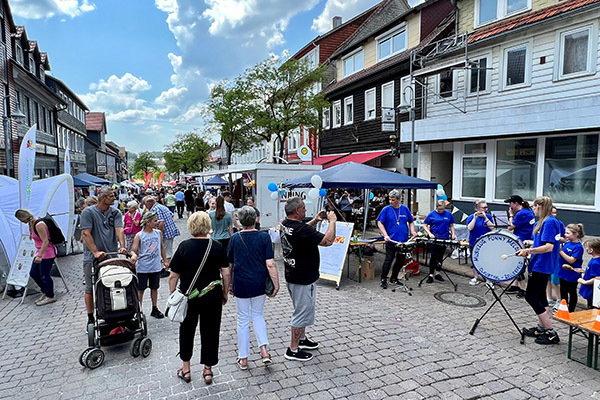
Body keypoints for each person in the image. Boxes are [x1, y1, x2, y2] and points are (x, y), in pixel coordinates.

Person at [169, 212, 229, 385]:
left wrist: (174, 295)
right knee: (211, 330)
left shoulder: (184, 246)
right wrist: (225, 292)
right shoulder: (217, 246)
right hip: (212, 294)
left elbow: (173, 276)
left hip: (189, 296)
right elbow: (226, 272)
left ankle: (186, 368)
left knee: (186, 330)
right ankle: (208, 369)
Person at [280, 197, 336, 361]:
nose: (305, 210)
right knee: (301, 311)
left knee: (304, 309)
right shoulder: (299, 229)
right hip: (302, 277)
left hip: (294, 274)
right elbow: (328, 241)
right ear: (297, 211)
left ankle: (302, 340)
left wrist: (315, 220)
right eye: (303, 208)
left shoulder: (286, 224)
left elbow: (302, 230)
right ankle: (293, 349)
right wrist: (332, 222)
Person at [226, 206, 279, 369]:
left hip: (241, 282)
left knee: (242, 319)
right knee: (258, 315)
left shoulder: (235, 238)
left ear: (240, 221)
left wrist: (227, 286)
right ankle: (264, 350)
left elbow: (229, 265)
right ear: (256, 219)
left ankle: (243, 358)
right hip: (259, 282)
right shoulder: (264, 237)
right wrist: (276, 284)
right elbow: (270, 263)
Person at [517, 196, 561, 345]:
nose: (533, 210)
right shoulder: (543, 222)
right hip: (539, 264)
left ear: (540, 206)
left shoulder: (549, 222)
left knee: (531, 297)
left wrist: (529, 250)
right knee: (541, 297)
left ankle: (551, 332)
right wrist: (530, 245)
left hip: (542, 266)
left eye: (534, 207)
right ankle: (541, 328)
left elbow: (550, 246)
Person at [80, 186, 127, 327]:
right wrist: (95, 251)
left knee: (111, 284)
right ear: (103, 198)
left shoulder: (115, 212)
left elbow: (119, 230)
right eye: (112, 196)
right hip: (92, 257)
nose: (114, 198)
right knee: (90, 287)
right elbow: (86, 233)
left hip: (111, 254)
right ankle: (90, 317)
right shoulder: (88, 212)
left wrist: (122, 246)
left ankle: (111, 312)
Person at [130, 212, 168, 318]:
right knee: (140, 289)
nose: (157, 223)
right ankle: (139, 309)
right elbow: (133, 250)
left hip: (155, 266)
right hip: (143, 267)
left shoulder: (158, 233)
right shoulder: (139, 235)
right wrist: (134, 256)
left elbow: (161, 247)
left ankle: (154, 308)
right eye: (155, 221)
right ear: (147, 222)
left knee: (154, 288)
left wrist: (165, 260)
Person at [15, 209, 57, 305]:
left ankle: (50, 295)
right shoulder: (33, 225)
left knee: (44, 275)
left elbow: (45, 241)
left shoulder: (39, 225)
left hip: (47, 253)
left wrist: (40, 255)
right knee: (34, 273)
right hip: (40, 252)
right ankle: (45, 291)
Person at [376, 189, 416, 289]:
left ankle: (394, 278)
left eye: (393, 200)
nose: (391, 202)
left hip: (403, 241)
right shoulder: (386, 209)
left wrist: (412, 231)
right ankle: (383, 279)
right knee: (389, 259)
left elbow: (411, 221)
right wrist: (385, 235)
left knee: (400, 261)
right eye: (390, 199)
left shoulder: (405, 209)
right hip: (391, 240)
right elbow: (379, 222)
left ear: (398, 199)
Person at [506, 195, 535, 298]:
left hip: (522, 240)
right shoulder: (528, 211)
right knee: (518, 262)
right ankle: (515, 285)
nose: (510, 206)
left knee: (519, 264)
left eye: (510, 203)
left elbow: (510, 227)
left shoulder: (521, 214)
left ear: (515, 203)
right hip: (526, 238)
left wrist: (511, 215)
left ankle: (523, 289)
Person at [144, 195, 180, 278]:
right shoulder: (160, 206)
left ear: (149, 204)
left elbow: (161, 222)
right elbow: (171, 215)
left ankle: (165, 269)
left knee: (166, 251)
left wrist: (160, 234)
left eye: (146, 205)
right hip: (170, 230)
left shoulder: (155, 209)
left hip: (166, 233)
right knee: (167, 249)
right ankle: (165, 267)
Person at [423, 200, 456, 283]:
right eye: (439, 209)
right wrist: (429, 233)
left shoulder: (448, 214)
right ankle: (430, 274)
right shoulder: (432, 214)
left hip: (444, 237)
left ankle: (437, 273)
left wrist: (453, 234)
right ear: (436, 207)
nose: (440, 211)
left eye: (442, 209)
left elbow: (451, 225)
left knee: (440, 256)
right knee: (433, 256)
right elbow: (425, 225)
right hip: (434, 237)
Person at [466, 200, 494, 286]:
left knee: (487, 260)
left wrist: (486, 218)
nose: (486, 209)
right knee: (475, 260)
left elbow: (492, 228)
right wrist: (475, 218)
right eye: (484, 207)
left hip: (486, 243)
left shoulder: (489, 216)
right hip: (474, 241)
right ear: (478, 208)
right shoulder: (471, 217)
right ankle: (476, 277)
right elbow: (469, 228)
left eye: (486, 207)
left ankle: (488, 279)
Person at [558, 223, 585, 312]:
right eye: (565, 233)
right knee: (563, 292)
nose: (565, 235)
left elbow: (571, 260)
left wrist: (560, 252)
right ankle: (563, 309)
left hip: (572, 274)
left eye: (568, 233)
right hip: (563, 272)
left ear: (576, 234)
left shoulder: (578, 247)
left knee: (572, 292)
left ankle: (571, 310)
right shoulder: (567, 243)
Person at [547, 207, 565, 310]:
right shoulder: (544, 223)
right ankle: (548, 297)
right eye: (551, 213)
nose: (554, 215)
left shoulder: (559, 224)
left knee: (555, 280)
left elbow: (564, 238)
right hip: (548, 255)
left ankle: (559, 299)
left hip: (556, 254)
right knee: (548, 278)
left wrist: (554, 237)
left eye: (555, 213)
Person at [578, 239, 600, 309]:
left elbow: (597, 278)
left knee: (592, 307)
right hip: (592, 291)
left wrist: (584, 282)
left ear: (591, 250)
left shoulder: (595, 263)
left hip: (592, 292)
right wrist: (585, 271)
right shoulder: (595, 260)